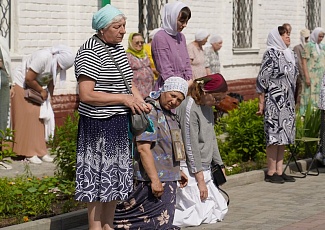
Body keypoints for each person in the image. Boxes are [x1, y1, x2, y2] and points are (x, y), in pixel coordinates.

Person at [74, 4, 151, 230]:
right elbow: (86, 94)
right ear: (101, 29)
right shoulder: (89, 51)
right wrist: (124, 100)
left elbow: (128, 83)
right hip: (97, 126)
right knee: (97, 180)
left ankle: (108, 225)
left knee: (114, 178)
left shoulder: (117, 48)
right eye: (117, 27)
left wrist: (138, 100)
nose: (123, 31)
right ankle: (95, 227)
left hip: (117, 123)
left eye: (124, 25)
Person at [114, 77, 189, 230]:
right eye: (172, 95)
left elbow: (166, 147)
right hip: (149, 180)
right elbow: (143, 148)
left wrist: (176, 170)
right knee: (144, 223)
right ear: (164, 90)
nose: (174, 101)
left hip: (166, 178)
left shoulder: (169, 114)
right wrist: (155, 180)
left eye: (179, 99)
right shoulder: (150, 111)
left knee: (162, 222)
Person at [173, 73, 228, 227]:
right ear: (205, 92)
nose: (218, 103)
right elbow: (190, 146)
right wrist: (200, 180)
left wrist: (220, 164)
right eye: (216, 98)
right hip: (191, 168)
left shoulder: (207, 106)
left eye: (221, 99)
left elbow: (212, 137)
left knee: (219, 210)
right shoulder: (190, 107)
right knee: (196, 216)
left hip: (204, 167)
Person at [10, 44, 74, 164]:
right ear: (58, 60)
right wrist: (41, 90)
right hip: (21, 84)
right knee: (28, 116)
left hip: (35, 88)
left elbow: (51, 80)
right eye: (60, 66)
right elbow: (29, 78)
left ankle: (40, 151)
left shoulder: (56, 65)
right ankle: (28, 152)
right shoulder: (43, 57)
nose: (60, 69)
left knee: (40, 117)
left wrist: (50, 97)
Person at [256, 26, 298, 183]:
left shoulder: (289, 54)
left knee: (284, 135)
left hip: (288, 101)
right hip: (274, 101)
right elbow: (262, 78)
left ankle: (280, 170)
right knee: (274, 135)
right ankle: (271, 171)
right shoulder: (271, 53)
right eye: (284, 34)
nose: (288, 37)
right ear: (277, 37)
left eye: (288, 34)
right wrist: (261, 102)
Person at [151, 1, 192, 90]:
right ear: (171, 18)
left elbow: (187, 62)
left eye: (186, 21)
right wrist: (180, 86)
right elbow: (164, 69)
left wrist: (189, 79)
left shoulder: (181, 37)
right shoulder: (160, 37)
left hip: (185, 86)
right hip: (169, 88)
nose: (184, 25)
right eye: (181, 21)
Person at [300, 27, 325, 115]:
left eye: (322, 37)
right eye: (320, 36)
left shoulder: (323, 46)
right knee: (308, 96)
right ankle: (305, 117)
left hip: (320, 78)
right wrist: (307, 76)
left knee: (318, 97)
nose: (321, 38)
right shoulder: (309, 45)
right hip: (311, 77)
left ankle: (317, 118)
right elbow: (304, 61)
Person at [126, 32, 154, 99]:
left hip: (149, 89)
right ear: (131, 43)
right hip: (137, 92)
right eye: (137, 42)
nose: (140, 44)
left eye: (142, 42)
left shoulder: (145, 54)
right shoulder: (127, 56)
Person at [0, 36, 13, 170]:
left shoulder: (2, 39)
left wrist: (11, 83)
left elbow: (7, 63)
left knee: (2, 118)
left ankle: (0, 156)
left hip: (3, 83)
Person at [293, 29, 310, 108]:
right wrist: (304, 75)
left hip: (308, 75)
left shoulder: (309, 47)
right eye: (306, 38)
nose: (307, 40)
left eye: (308, 38)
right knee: (301, 93)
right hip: (301, 76)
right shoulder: (297, 48)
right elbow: (299, 63)